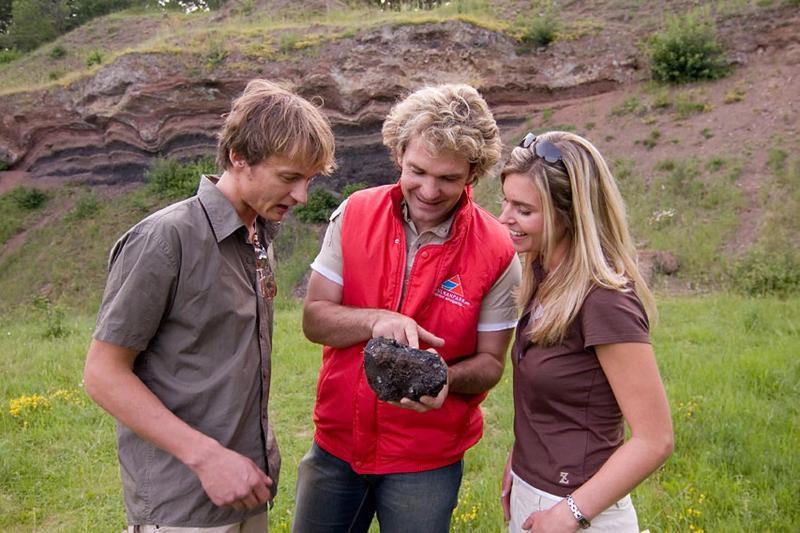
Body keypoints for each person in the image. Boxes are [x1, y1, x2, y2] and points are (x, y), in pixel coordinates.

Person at [83, 79, 336, 532]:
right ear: (239, 156)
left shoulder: (259, 236)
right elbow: (102, 374)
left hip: (246, 488)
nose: (302, 196)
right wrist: (209, 459)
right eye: (288, 177)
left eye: (310, 179)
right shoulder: (166, 239)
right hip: (183, 501)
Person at [292, 84, 522, 533]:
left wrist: (445, 379)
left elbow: (492, 362)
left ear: (474, 172)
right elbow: (314, 318)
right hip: (336, 446)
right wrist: (376, 319)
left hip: (426, 460)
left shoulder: (497, 250)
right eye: (417, 171)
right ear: (399, 153)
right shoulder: (355, 213)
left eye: (449, 178)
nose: (430, 191)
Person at [497, 131, 674, 532]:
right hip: (533, 493)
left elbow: (655, 438)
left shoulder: (604, 300)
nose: (504, 217)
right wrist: (520, 460)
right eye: (506, 201)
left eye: (523, 209)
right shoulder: (544, 274)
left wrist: (569, 514)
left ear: (570, 215)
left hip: (578, 510)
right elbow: (552, 403)